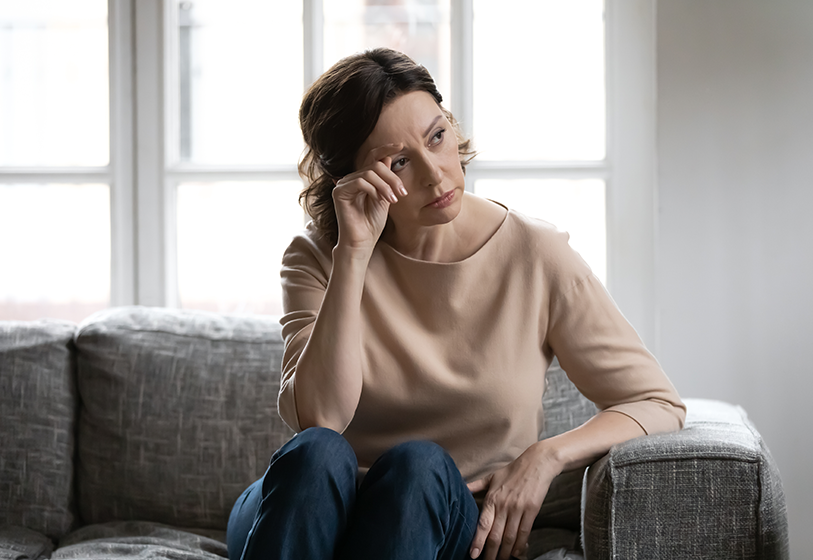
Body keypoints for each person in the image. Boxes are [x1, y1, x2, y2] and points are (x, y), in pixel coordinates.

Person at [226, 47, 685, 560]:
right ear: (349, 181)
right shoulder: (318, 257)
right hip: (305, 511)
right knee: (316, 452)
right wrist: (352, 254)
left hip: (436, 511)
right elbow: (322, 417)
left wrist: (547, 455)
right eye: (399, 162)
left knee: (418, 467)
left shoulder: (536, 254)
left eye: (437, 137)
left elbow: (656, 403)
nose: (436, 175)